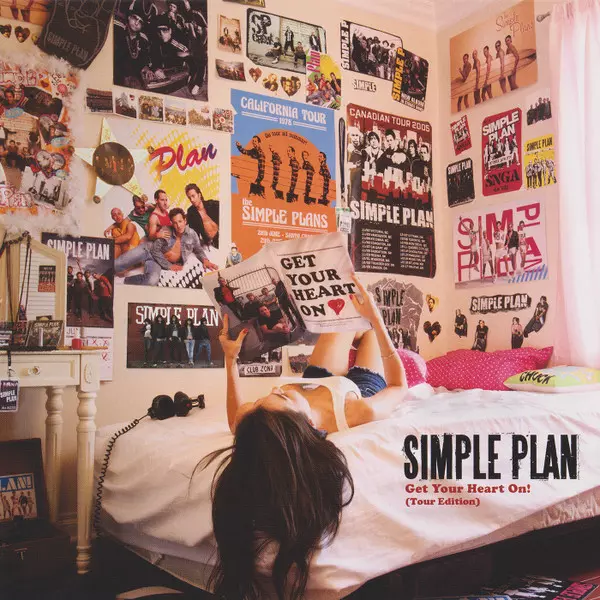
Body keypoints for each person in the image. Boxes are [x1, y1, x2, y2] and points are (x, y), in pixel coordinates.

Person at [202, 275, 407, 600]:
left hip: (315, 380)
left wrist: (230, 358)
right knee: (368, 326)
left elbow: (236, 419)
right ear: (305, 423)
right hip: (355, 388)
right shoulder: (355, 411)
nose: (271, 393)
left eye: (268, 396)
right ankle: (371, 333)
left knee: (345, 313)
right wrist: (378, 320)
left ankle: (355, 326)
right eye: (281, 396)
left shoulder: (262, 420)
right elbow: (398, 387)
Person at [119, 208, 218, 286]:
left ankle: (123, 281)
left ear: (185, 221)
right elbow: (154, 250)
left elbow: (198, 249)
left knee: (151, 281)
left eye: (180, 221)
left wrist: (205, 260)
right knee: (119, 263)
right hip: (148, 250)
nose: (178, 225)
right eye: (175, 223)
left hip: (156, 261)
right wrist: (169, 266)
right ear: (172, 223)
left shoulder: (192, 234)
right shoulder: (167, 230)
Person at [185, 183, 219, 248]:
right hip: (211, 244)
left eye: (193, 196)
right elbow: (194, 234)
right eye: (189, 198)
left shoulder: (213, 204)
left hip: (222, 237)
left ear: (199, 195)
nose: (192, 200)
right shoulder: (191, 213)